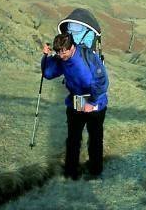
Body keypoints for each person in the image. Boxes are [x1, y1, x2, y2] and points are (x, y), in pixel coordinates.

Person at [42, 32, 108, 180]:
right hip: (75, 102)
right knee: (73, 139)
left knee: (95, 139)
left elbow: (102, 81)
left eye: (63, 52)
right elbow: (47, 73)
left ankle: (95, 172)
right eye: (58, 52)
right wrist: (46, 57)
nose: (61, 55)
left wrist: (92, 102)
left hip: (96, 104)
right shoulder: (61, 58)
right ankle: (71, 174)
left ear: (72, 47)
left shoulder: (88, 56)